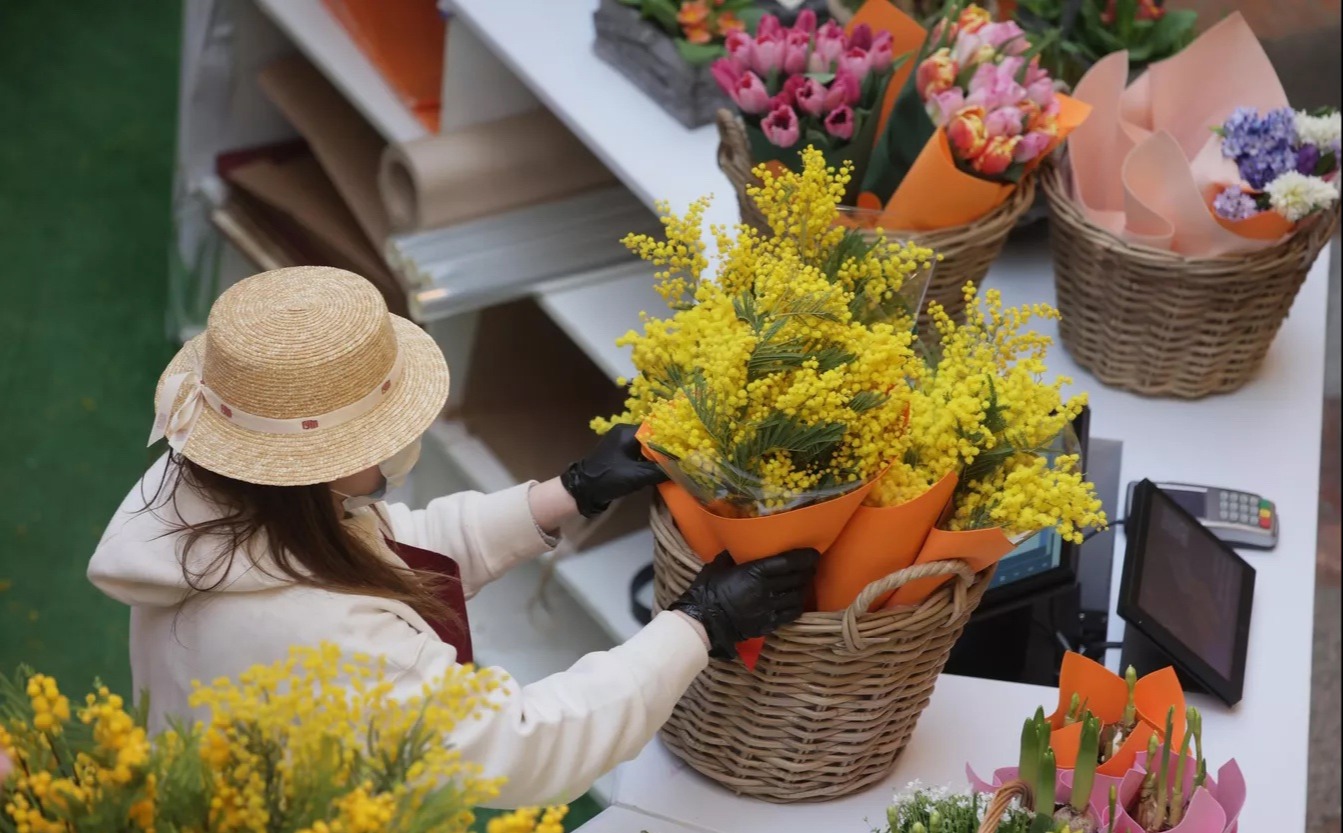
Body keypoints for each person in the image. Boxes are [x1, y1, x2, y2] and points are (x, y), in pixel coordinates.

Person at [87, 267, 817, 807]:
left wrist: (564, 494)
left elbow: (385, 552)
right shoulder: (325, 643)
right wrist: (697, 625)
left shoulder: (207, 498)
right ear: (325, 463)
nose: (397, 445)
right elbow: (527, 740)